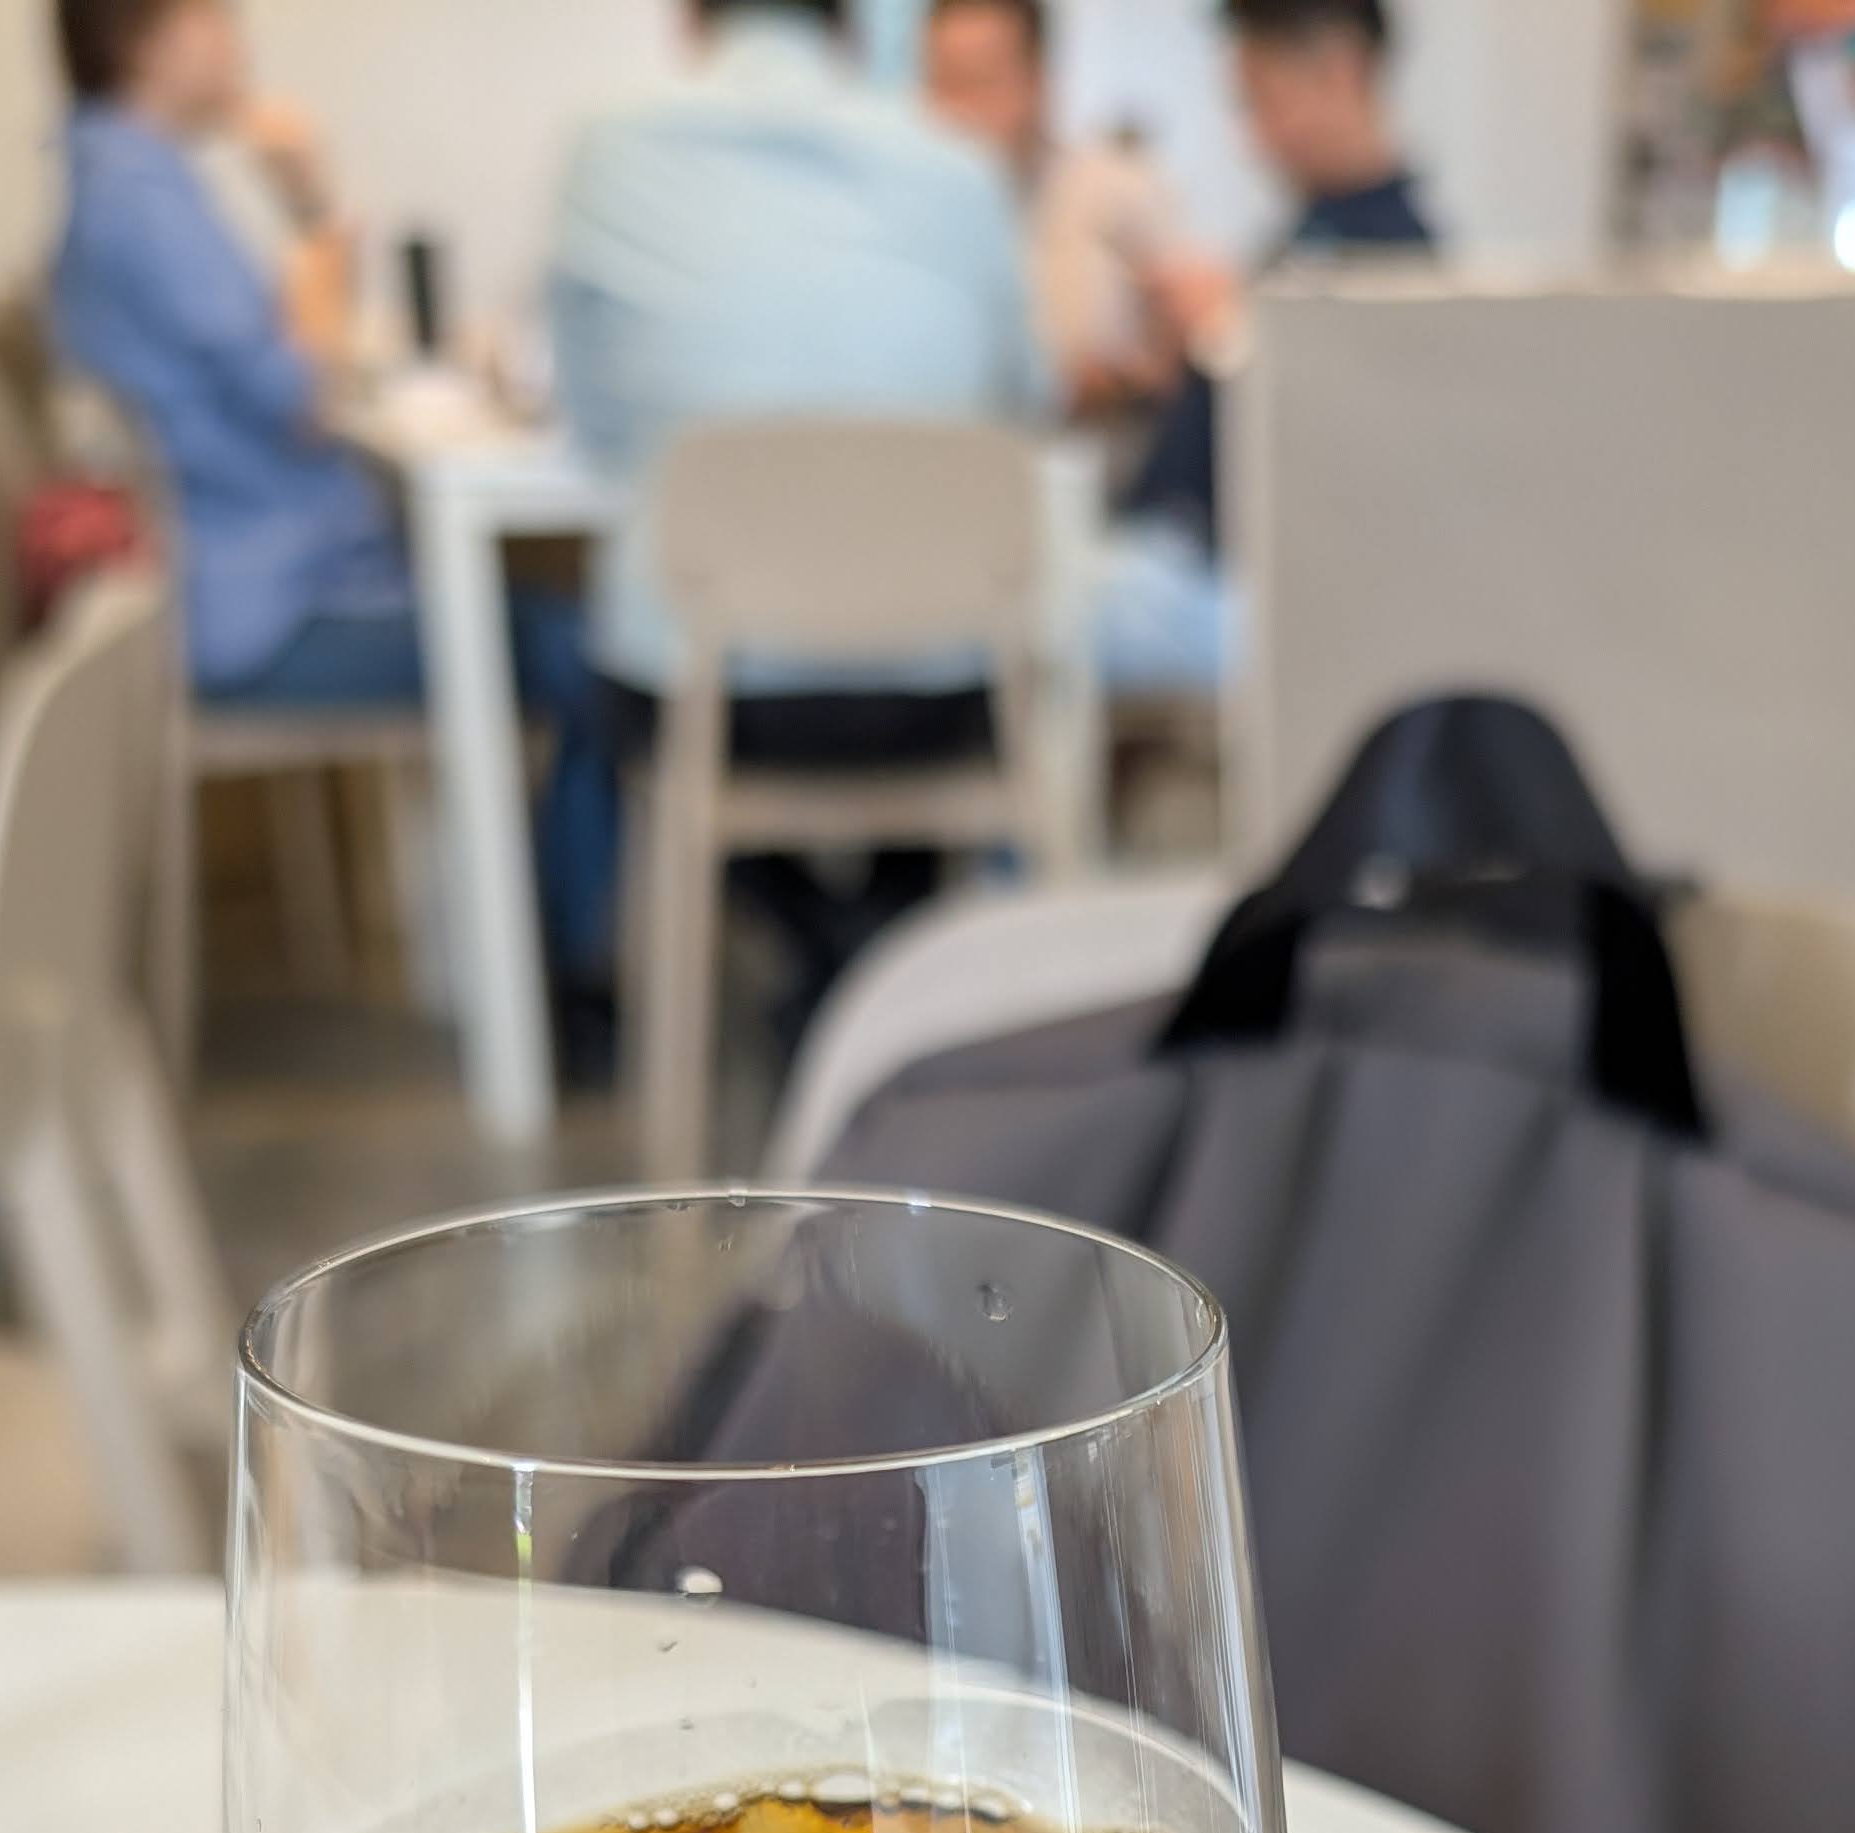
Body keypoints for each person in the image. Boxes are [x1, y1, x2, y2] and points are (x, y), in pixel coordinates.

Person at [48, 0, 620, 984]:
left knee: (556, 624)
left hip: (254, 584)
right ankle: (559, 973)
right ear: (148, 36)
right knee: (588, 651)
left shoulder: (119, 180)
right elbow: (303, 396)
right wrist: (314, 209)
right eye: (217, 17)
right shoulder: (139, 199)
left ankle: (544, 951)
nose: (239, 41)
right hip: (264, 616)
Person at [548, 0, 1050, 1051]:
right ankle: (864, 960)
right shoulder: (961, 169)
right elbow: (1019, 406)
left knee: (631, 688)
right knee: (917, 678)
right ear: (854, 33)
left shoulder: (608, 151)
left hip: (714, 693)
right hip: (943, 689)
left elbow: (598, 430)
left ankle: (822, 954)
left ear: (690, 23)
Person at [1096, 0, 1434, 696]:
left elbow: (1348, 459)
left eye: (1264, 102)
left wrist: (1226, 331)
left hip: (1233, 588)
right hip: (1178, 559)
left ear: (1340, 73)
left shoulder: (1395, 259)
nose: (1253, 139)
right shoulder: (1309, 237)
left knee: (1025, 603)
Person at [921, 0, 1230, 424]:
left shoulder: (1119, 195)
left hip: (1100, 451)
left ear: (1037, 80)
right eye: (942, 82)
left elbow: (1193, 354)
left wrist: (1124, 382)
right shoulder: (911, 220)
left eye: (981, 81)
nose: (959, 110)